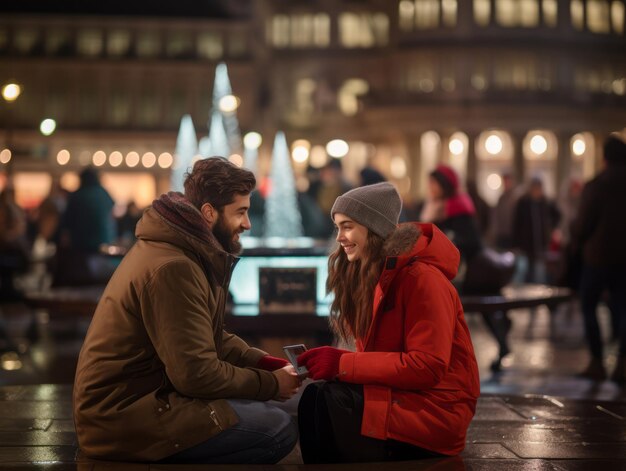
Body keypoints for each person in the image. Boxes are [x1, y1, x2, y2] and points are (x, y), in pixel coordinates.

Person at [73, 157, 300, 464]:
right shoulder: (175, 267)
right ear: (209, 213)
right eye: (241, 212)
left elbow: (204, 336)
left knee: (283, 410)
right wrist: (270, 384)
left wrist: (262, 362)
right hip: (121, 418)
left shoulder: (181, 250)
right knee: (278, 429)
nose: (248, 224)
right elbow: (196, 375)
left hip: (144, 400)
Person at [296, 182, 480, 463]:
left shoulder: (423, 279)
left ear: (373, 228)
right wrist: (332, 364)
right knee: (317, 398)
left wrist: (342, 364)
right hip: (405, 398)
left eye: (347, 226)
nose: (340, 237)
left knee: (326, 405)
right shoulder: (372, 276)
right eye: (337, 227)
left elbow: (428, 366)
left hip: (435, 411)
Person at [572, 135, 626, 383]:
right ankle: (623, 363)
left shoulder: (597, 185)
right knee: (623, 308)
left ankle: (597, 361)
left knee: (588, 305)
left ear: (604, 158)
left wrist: (575, 238)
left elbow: (583, 226)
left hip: (598, 257)